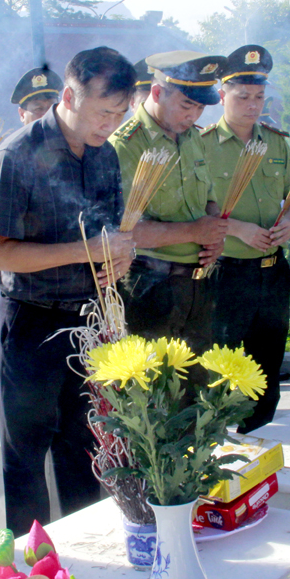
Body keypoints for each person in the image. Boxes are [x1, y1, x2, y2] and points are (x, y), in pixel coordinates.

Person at [0, 46, 136, 536]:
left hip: (89, 319)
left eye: (119, 114)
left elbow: (111, 231)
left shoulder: (105, 154)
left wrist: (121, 254)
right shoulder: (16, 155)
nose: (109, 124)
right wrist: (85, 251)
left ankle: (85, 549)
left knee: (87, 445)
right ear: (68, 95)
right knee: (26, 456)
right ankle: (33, 572)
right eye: (102, 112)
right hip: (32, 321)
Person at [202, 45, 290, 431]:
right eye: (243, 97)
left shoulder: (275, 143)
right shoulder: (203, 145)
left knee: (267, 365)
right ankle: (217, 443)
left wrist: (289, 222)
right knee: (222, 366)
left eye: (259, 97)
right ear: (222, 96)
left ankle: (260, 436)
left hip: (271, 272)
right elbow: (196, 209)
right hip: (228, 273)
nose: (252, 105)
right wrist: (238, 228)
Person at [109, 51, 230, 354]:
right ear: (157, 92)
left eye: (200, 107)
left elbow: (210, 200)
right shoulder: (125, 145)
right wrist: (194, 232)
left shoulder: (192, 137)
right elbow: (123, 231)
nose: (194, 115)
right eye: (187, 105)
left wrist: (214, 234)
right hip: (149, 286)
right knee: (154, 390)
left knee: (199, 387)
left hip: (198, 284)